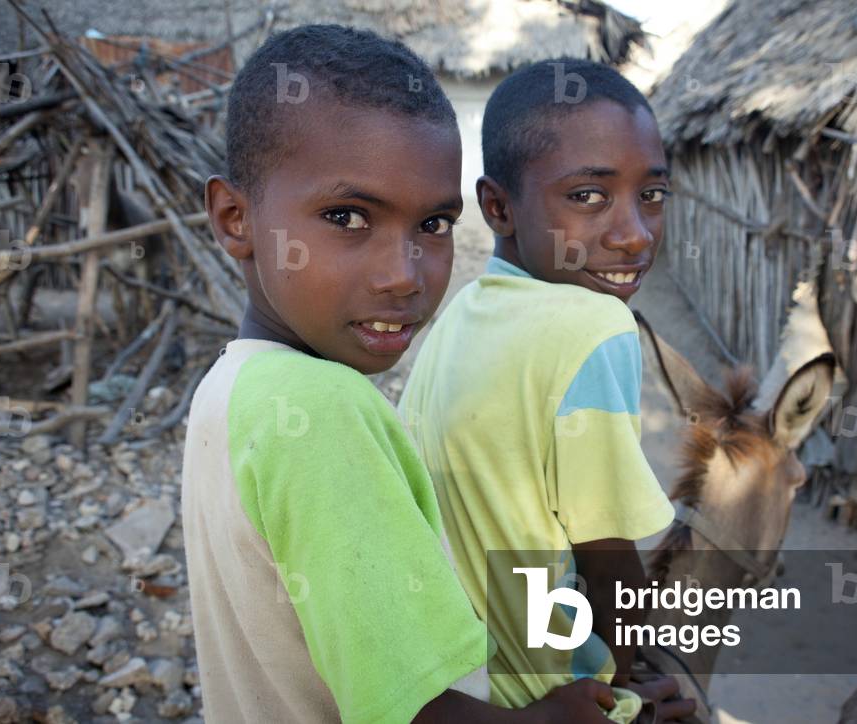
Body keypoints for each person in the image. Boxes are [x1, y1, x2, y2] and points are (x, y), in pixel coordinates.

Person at [183, 27, 624, 723]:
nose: (404, 275)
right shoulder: (322, 410)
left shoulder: (233, 388)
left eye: (434, 224)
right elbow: (419, 713)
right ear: (235, 219)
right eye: (347, 216)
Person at [399, 58, 697, 721]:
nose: (635, 234)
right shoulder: (593, 323)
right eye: (588, 196)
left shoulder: (461, 316)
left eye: (652, 194)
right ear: (499, 206)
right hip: (550, 698)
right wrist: (628, 688)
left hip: (460, 684)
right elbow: (609, 565)